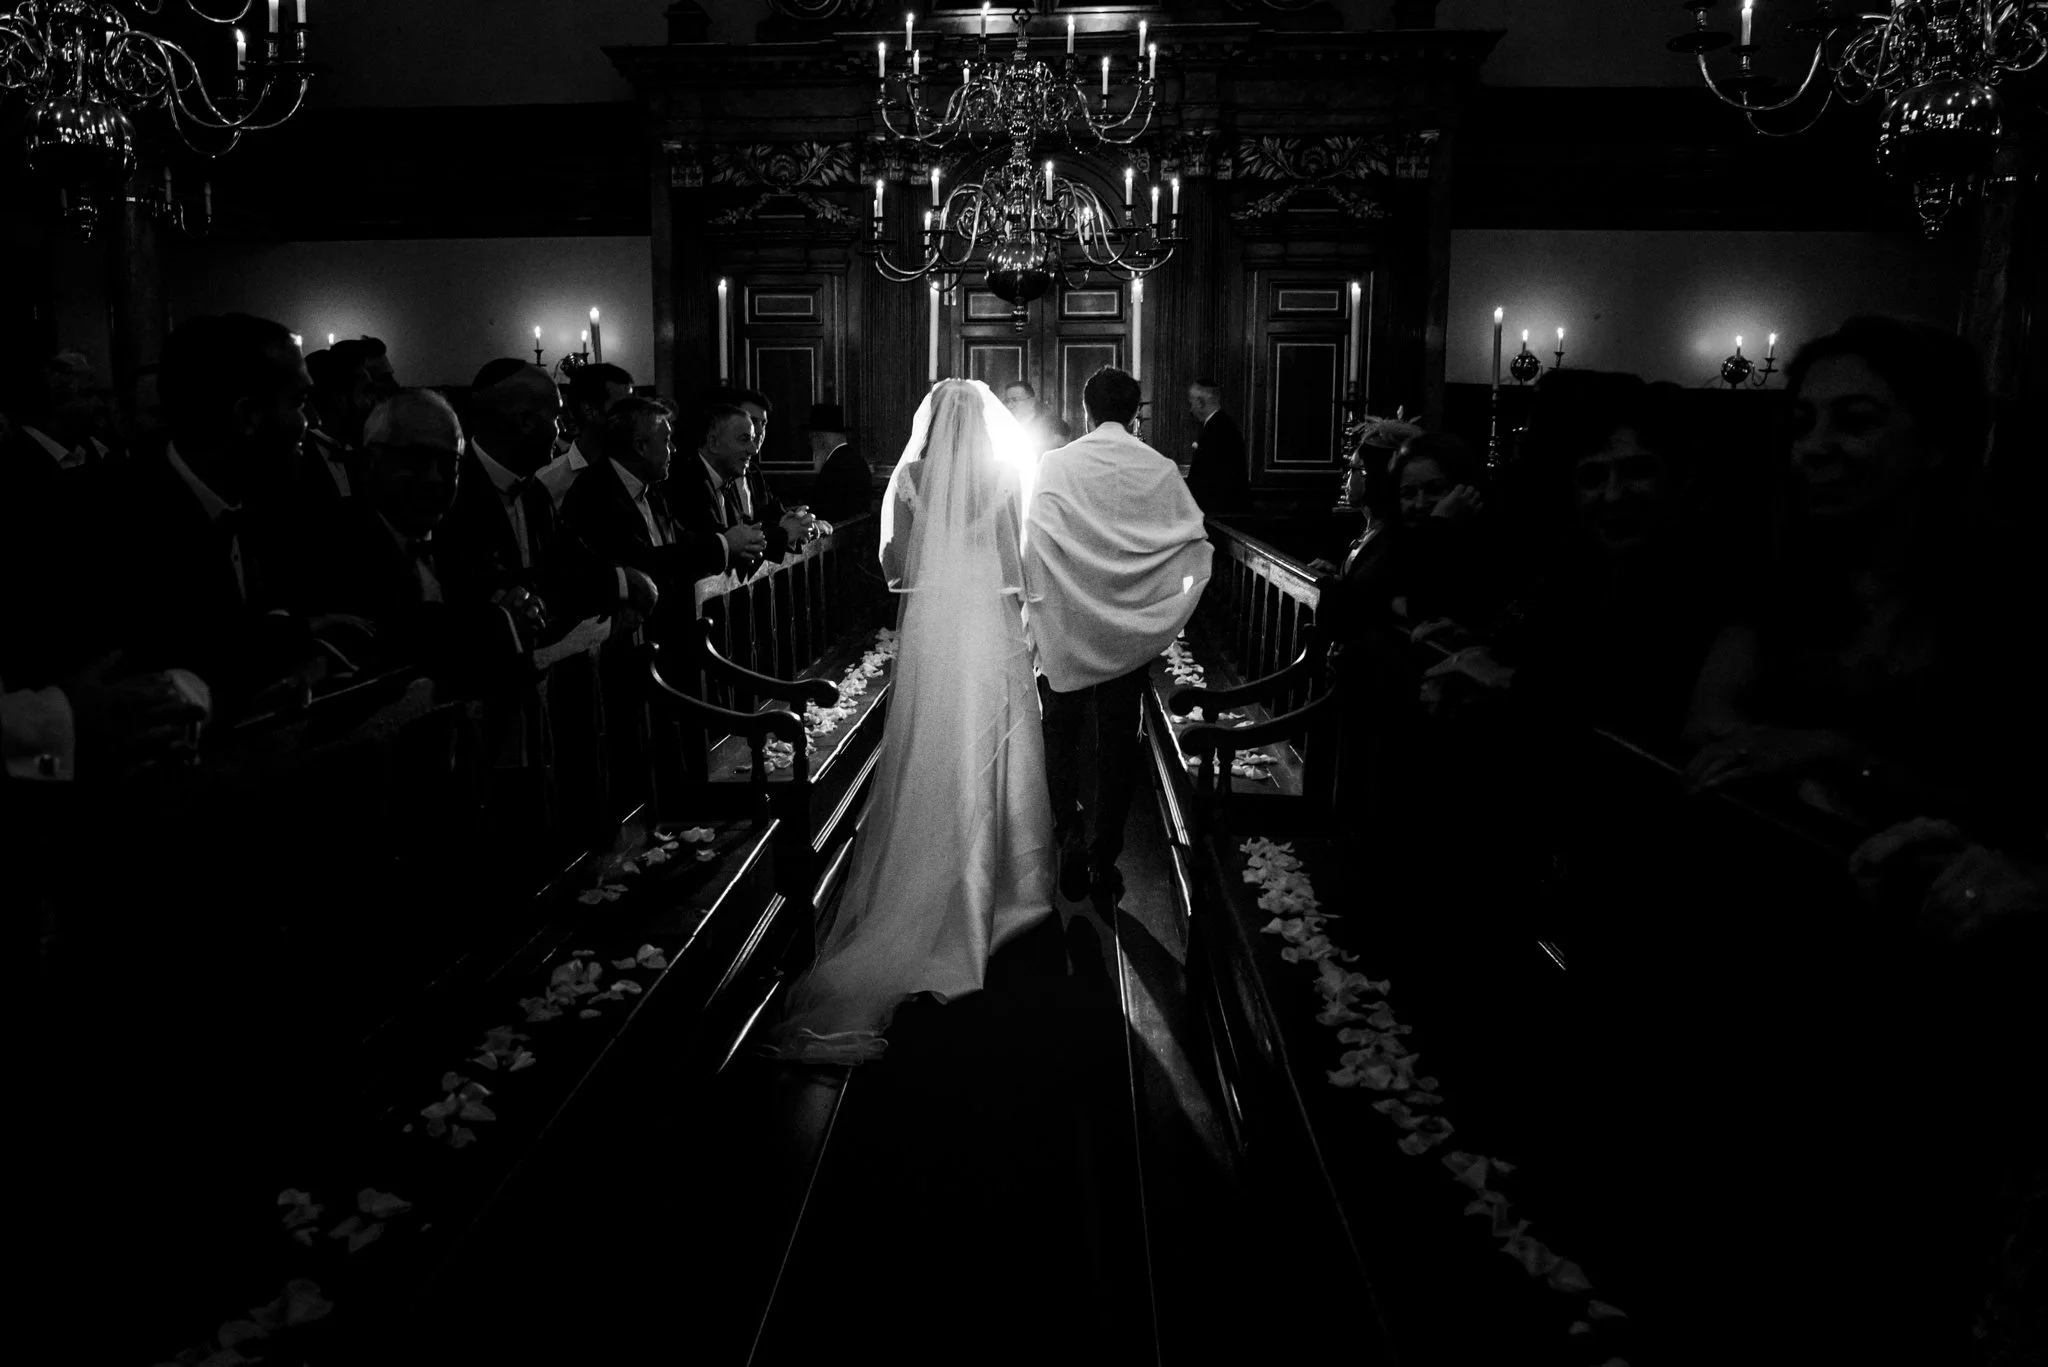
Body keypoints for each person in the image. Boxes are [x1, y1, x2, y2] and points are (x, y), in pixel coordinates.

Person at [763, 379, 1053, 1062]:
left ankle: (931, 870)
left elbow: (897, 565)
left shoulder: (913, 476)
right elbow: (1019, 559)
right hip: (988, 624)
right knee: (994, 741)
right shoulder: (1006, 473)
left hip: (934, 627)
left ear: (933, 423)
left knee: (934, 741)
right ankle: (1005, 886)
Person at [1682, 316, 2039, 835]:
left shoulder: (2007, 588)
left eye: (1853, 422)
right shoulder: (1778, 573)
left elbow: (2008, 805)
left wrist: (1835, 756)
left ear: (1936, 442)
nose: (1813, 447)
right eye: (1802, 424)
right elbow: (1709, 727)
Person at [1025, 366, 1213, 898]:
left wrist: (1050, 602)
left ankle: (1068, 831)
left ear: (1085, 410)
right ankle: (1106, 854)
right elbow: (1193, 544)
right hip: (1128, 633)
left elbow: (1033, 538)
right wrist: (1161, 606)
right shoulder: (1158, 468)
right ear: (1135, 413)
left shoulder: (1056, 464)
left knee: (1058, 731)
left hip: (1066, 621)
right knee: (1118, 742)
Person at [673, 402, 809, 577]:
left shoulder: (726, 478)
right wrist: (784, 533)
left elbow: (749, 528)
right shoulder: (688, 482)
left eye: (752, 439)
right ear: (713, 443)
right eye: (744, 439)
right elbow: (725, 543)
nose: (753, 449)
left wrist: (795, 523)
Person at [536, 362, 633, 509]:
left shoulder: (637, 472)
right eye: (622, 409)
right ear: (590, 411)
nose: (633, 418)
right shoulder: (548, 483)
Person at [1183, 378, 1251, 514]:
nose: (1190, 410)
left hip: (1220, 513)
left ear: (1200, 402)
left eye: (1191, 403)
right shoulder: (1222, 425)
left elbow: (1207, 480)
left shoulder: (1217, 429)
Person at [805, 401, 870, 523]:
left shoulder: (834, 468)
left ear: (820, 438)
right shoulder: (857, 460)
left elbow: (819, 512)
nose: (810, 445)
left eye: (811, 439)